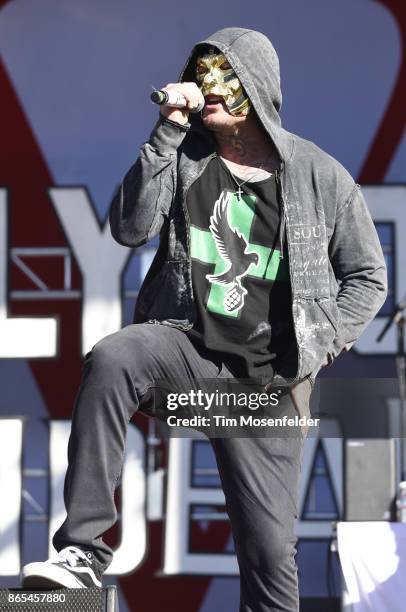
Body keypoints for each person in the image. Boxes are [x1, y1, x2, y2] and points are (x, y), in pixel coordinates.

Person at [21, 27, 387, 611]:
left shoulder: (320, 175)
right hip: (188, 355)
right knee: (116, 356)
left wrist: (319, 347)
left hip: (267, 386)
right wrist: (167, 129)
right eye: (200, 74)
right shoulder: (185, 153)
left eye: (221, 75)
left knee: (270, 561)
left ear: (255, 88)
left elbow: (368, 278)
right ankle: (81, 553)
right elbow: (129, 229)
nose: (204, 87)